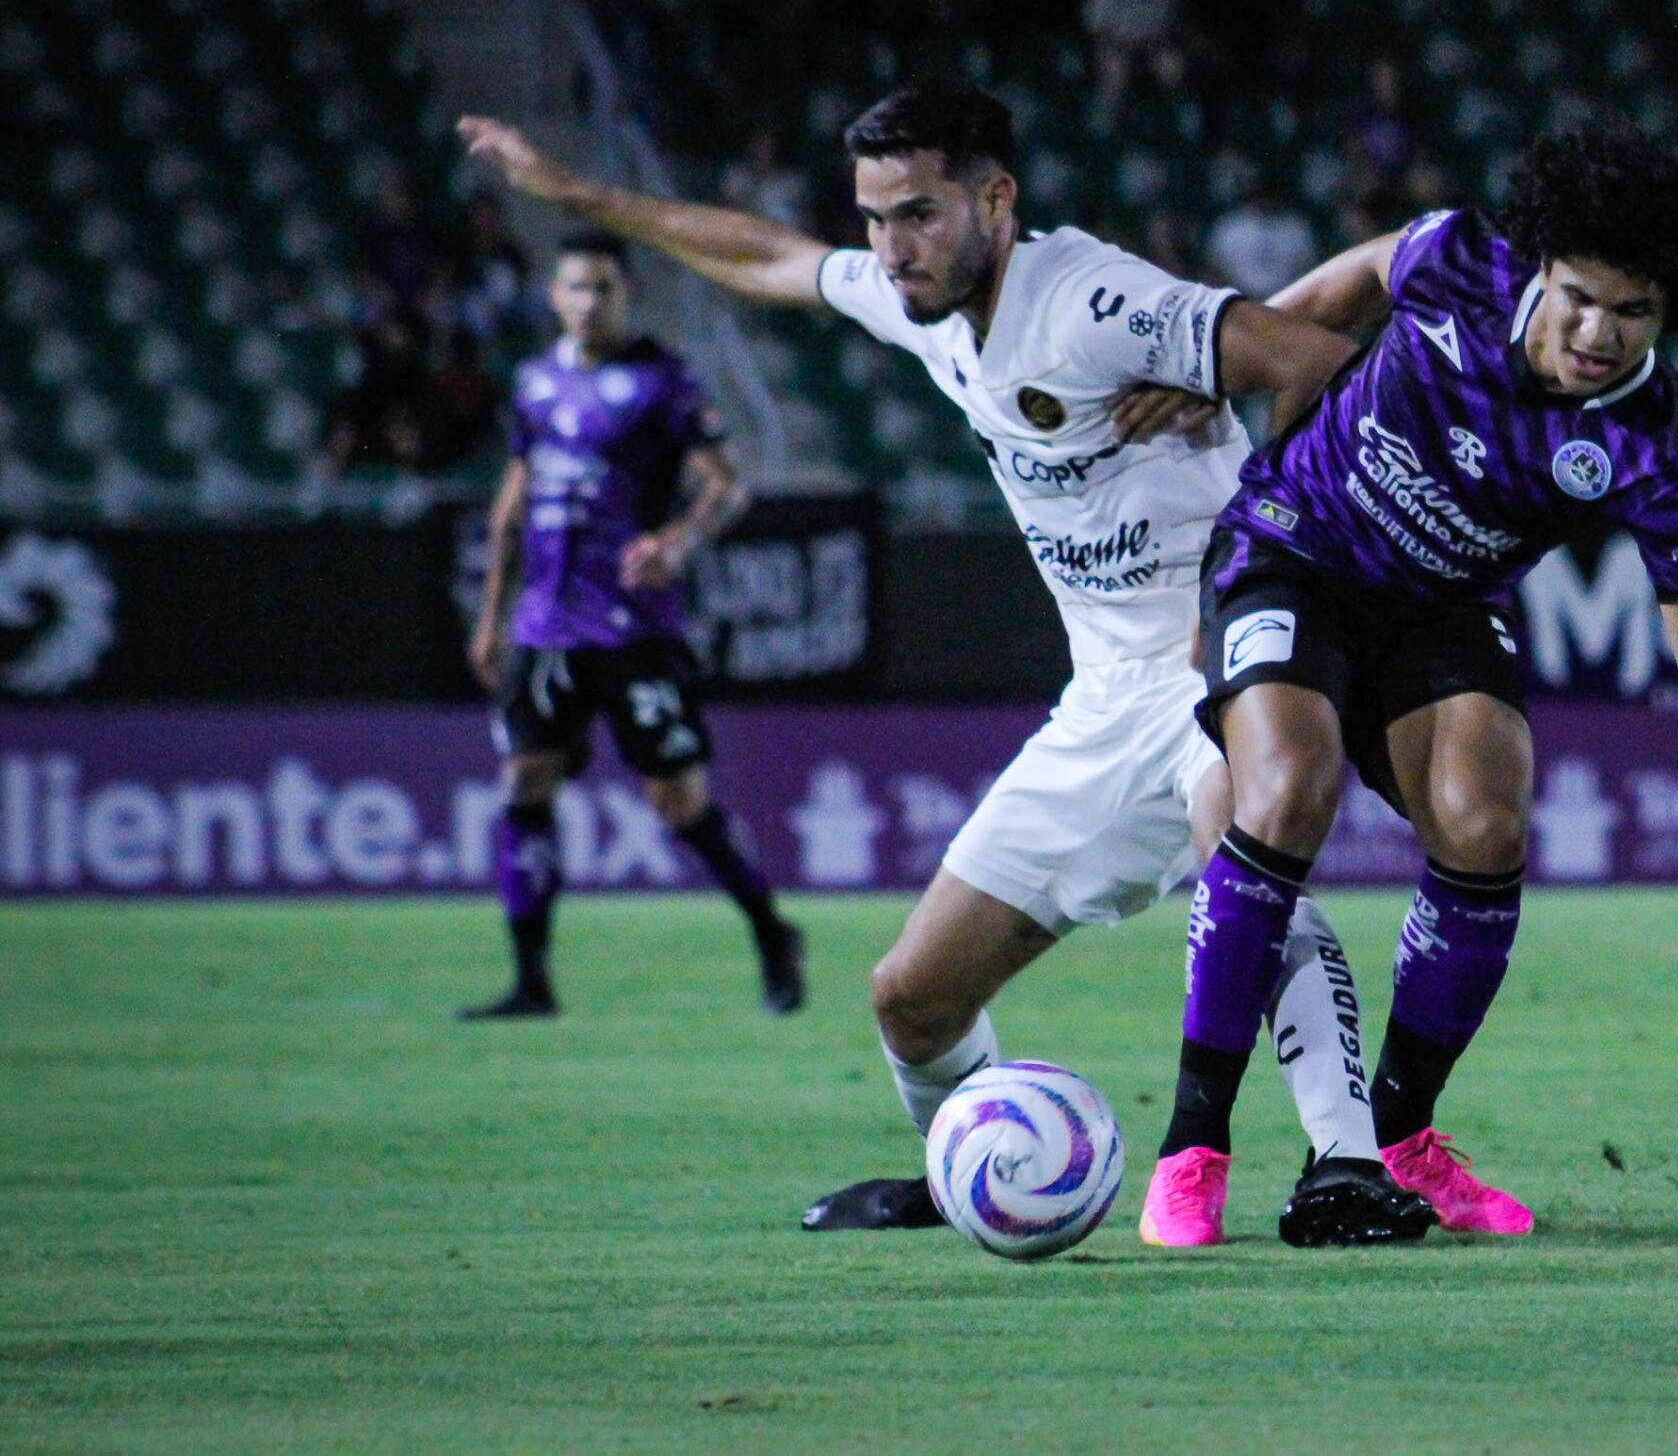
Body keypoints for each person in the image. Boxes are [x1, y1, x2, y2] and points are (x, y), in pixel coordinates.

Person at [457, 81, 1432, 1247]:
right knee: (909, 998)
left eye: (917, 214)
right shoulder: (913, 298)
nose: (891, 247)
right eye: (874, 218)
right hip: (1104, 696)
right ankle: (967, 1169)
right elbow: (771, 257)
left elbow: (1326, 359)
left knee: (1246, 871)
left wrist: (1248, 556)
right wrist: (574, 194)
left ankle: (1348, 1165)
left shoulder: (1097, 299)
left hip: (1226, 656)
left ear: (995, 199)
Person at [1141, 126, 1678, 1247]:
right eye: (1580, 297)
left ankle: (1399, 1137)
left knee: (1488, 819)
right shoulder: (1457, 259)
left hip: (1443, 604)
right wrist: (1238, 369)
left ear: (1670, 313)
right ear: (1539, 267)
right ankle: (1192, 1146)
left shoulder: (1659, 454)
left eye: (1632, 312)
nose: (1597, 332)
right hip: (1296, 551)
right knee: (1291, 784)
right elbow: (1354, 279)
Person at [459, 233, 805, 1020]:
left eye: (604, 288)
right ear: (553, 295)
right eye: (575, 287)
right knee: (525, 782)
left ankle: (773, 933)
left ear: (628, 294)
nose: (589, 301)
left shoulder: (663, 380)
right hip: (544, 627)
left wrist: (678, 541)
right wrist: (493, 618)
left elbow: (726, 484)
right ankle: (531, 978)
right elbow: (513, 504)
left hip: (631, 628)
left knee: (678, 802)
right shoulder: (535, 382)